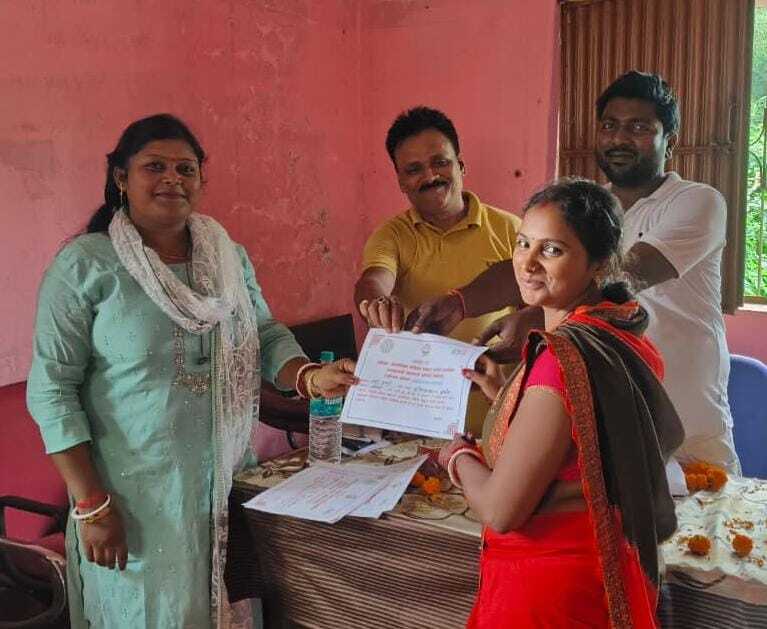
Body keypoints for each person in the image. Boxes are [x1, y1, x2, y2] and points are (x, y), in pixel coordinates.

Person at [26, 114, 356, 629]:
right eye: (154, 166)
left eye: (185, 168)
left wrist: (308, 376)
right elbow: (52, 391)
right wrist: (91, 504)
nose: (172, 179)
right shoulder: (86, 266)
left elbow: (264, 333)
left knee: (230, 609)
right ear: (121, 177)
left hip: (226, 485)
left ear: (202, 178)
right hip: (133, 504)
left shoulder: (227, 258)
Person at [412, 72, 739, 472]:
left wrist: (539, 318)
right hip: (613, 436)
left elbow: (629, 274)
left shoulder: (698, 202)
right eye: (609, 126)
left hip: (689, 432)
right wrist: (459, 302)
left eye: (638, 127)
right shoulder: (589, 210)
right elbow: (529, 264)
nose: (619, 138)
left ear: (669, 141)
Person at [438, 178, 684, 628]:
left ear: (599, 264)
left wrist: (456, 456)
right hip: (597, 567)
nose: (527, 263)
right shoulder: (617, 332)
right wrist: (504, 395)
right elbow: (582, 435)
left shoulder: (564, 357)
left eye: (552, 250)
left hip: (547, 585)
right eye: (523, 243)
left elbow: (500, 510)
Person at [354, 106, 522, 434]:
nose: (430, 176)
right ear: (401, 182)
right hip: (419, 428)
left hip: (497, 423)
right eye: (414, 169)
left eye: (440, 162)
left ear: (461, 165)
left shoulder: (511, 230)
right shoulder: (391, 236)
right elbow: (373, 279)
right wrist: (375, 303)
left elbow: (538, 307)